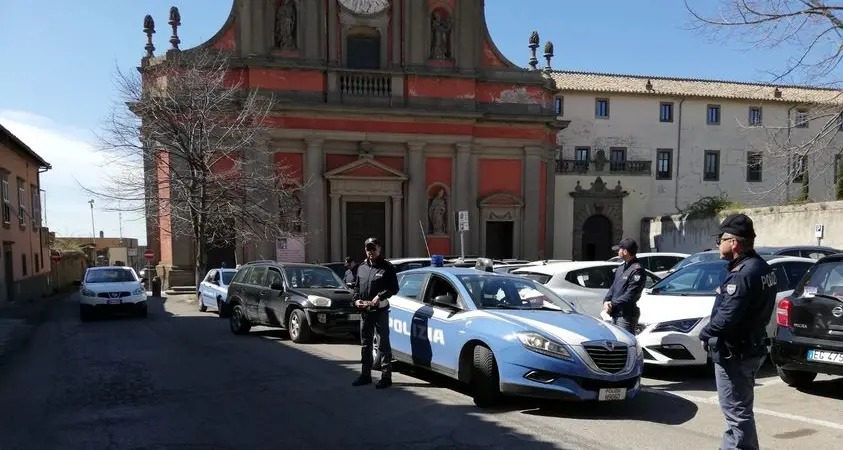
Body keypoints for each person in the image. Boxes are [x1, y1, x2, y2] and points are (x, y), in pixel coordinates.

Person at [699, 213, 775, 450]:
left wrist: (704, 333)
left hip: (736, 352)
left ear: (734, 242)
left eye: (720, 239)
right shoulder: (762, 267)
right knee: (740, 411)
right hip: (751, 346)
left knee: (736, 413)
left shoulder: (742, 273)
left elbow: (726, 318)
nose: (717, 244)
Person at [351, 237, 399, 389]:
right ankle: (365, 375)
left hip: (380, 310)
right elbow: (357, 288)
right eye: (368, 248)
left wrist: (380, 296)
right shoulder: (361, 267)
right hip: (365, 311)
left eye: (374, 248)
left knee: (383, 343)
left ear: (379, 249)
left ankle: (386, 376)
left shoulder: (387, 267)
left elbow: (394, 288)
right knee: (366, 343)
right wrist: (356, 300)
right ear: (365, 250)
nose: (371, 251)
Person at [602, 238, 645, 333]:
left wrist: (612, 304)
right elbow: (614, 287)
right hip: (615, 314)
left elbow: (631, 295)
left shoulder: (637, 270)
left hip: (625, 316)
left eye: (619, 249)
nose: (618, 251)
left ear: (625, 251)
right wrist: (606, 300)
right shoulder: (621, 268)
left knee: (625, 343)